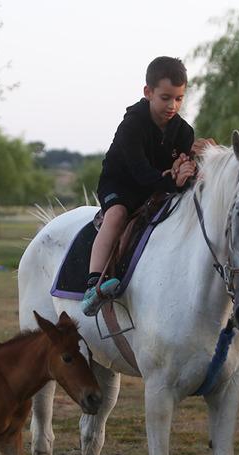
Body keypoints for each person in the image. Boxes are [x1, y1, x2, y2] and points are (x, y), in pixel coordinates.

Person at [81, 56, 200, 316]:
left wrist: (189, 171)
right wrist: (173, 179)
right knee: (117, 214)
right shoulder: (131, 125)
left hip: (157, 185)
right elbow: (141, 172)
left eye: (179, 98)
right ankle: (93, 284)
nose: (173, 105)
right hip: (121, 183)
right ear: (148, 92)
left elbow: (181, 170)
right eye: (165, 97)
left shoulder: (184, 132)